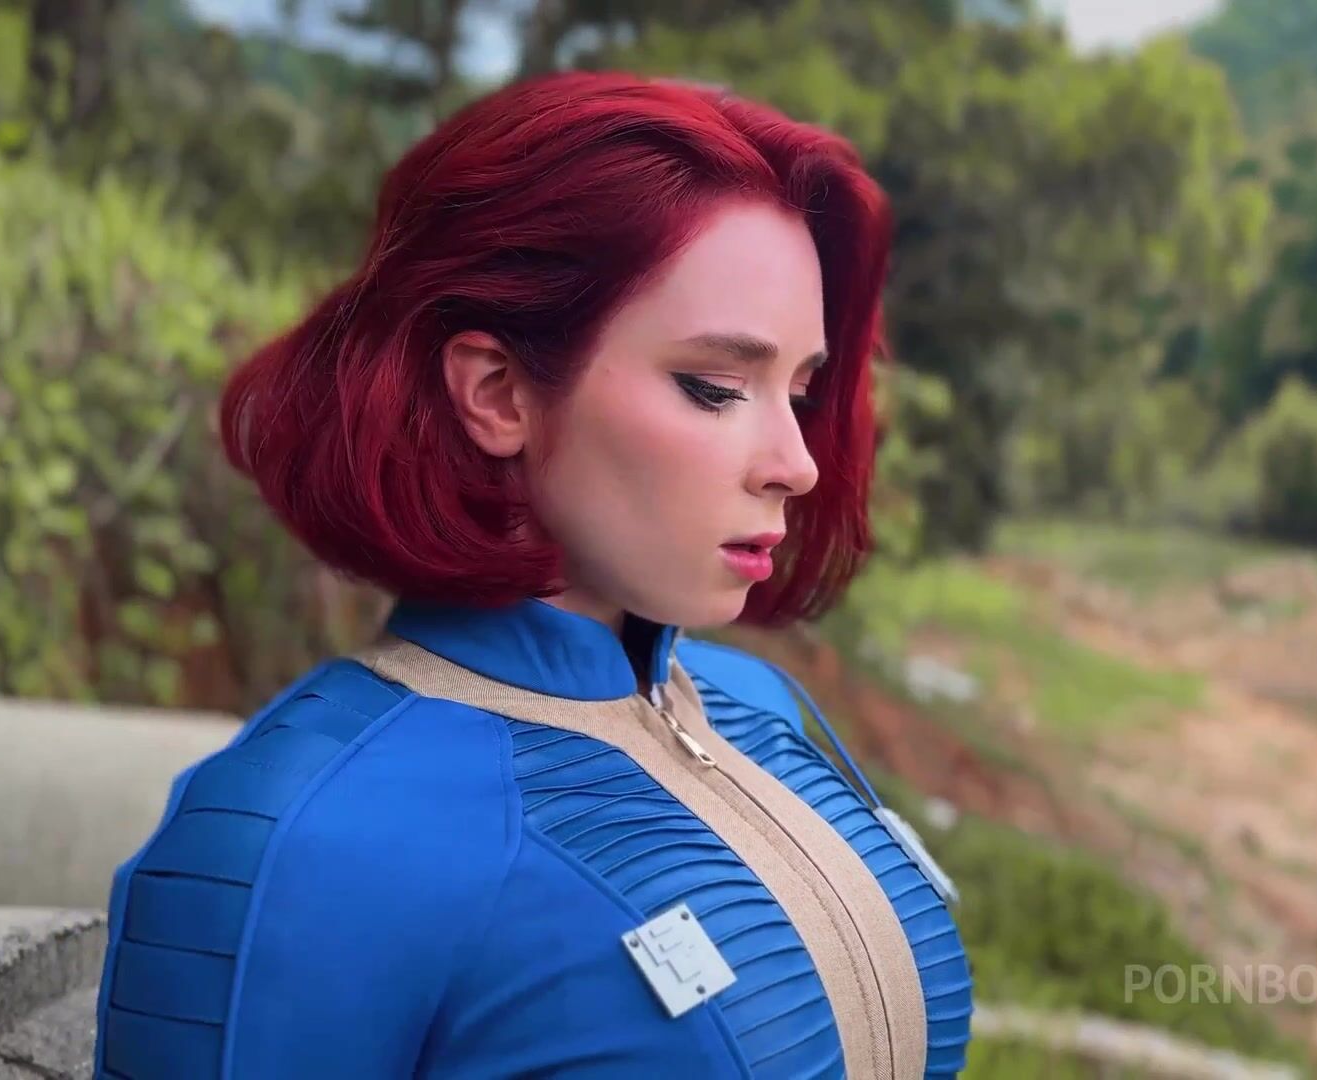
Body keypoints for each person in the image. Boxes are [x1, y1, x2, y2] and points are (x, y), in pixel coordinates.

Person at [93, 69, 974, 1079]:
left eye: (801, 392)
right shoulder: (305, 832)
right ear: (497, 392)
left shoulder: (758, 707)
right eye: (715, 386)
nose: (798, 462)